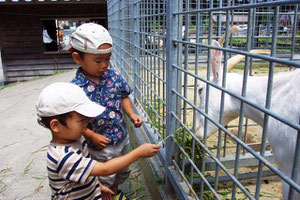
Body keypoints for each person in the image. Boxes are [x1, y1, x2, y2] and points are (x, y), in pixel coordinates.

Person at [36, 82, 160, 200]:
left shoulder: (76, 140)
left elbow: (84, 173)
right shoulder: (63, 157)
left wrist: (97, 187)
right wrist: (138, 153)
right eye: (81, 120)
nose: (87, 123)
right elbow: (105, 169)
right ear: (56, 126)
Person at [69, 23, 143, 199]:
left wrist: (131, 114)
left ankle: (115, 193)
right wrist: (91, 135)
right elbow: (74, 120)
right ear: (77, 58)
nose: (104, 65)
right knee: (104, 176)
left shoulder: (113, 76)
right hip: (99, 145)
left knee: (120, 170)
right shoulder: (76, 88)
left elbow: (124, 95)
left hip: (121, 137)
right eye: (98, 61)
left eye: (107, 59)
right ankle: (105, 196)